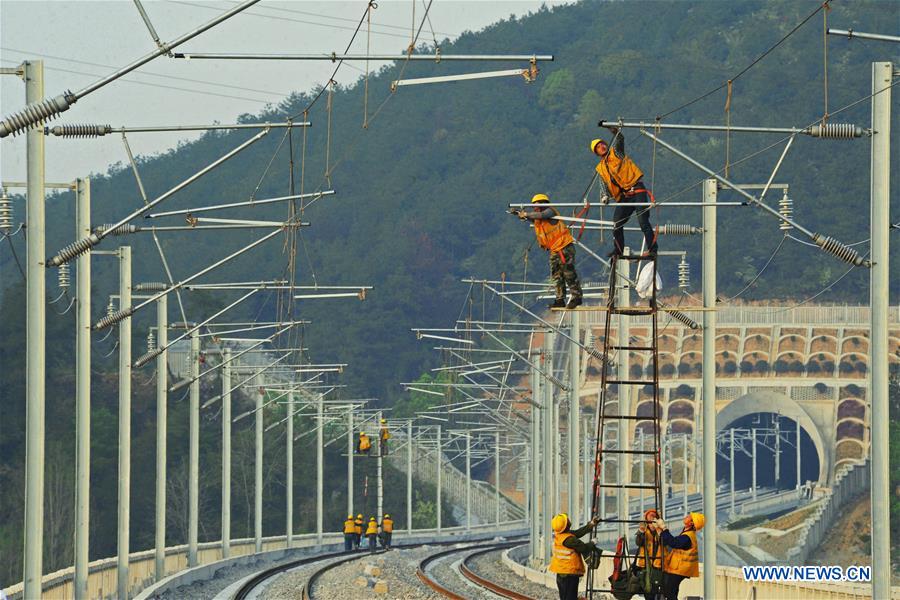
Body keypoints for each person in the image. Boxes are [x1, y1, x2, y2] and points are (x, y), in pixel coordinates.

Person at [591, 125, 657, 257]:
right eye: (598, 147)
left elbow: (619, 142)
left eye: (603, 144)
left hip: (637, 190)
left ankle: (652, 250)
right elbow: (604, 185)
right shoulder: (600, 168)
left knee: (643, 222)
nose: (602, 147)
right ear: (596, 153)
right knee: (616, 224)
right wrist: (605, 196)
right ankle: (619, 250)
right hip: (624, 197)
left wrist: (616, 133)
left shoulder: (616, 153)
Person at [516, 193, 583, 309]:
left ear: (543, 203)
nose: (534, 208)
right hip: (554, 250)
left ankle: (576, 297)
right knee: (556, 275)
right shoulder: (539, 219)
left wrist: (526, 214)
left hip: (564, 247)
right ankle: (560, 299)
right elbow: (535, 217)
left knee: (568, 273)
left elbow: (542, 215)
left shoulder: (550, 212)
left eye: (536, 205)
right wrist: (519, 214)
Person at [548, 512, 601, 600]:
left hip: (563, 574)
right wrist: (592, 543)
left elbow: (578, 532)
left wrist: (591, 524)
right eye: (567, 520)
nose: (568, 520)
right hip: (569, 574)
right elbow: (583, 548)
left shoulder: (561, 535)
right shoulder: (569, 540)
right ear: (566, 525)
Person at [653, 512, 704, 600]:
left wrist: (664, 528)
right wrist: (659, 531)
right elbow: (670, 541)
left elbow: (674, 543)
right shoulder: (687, 533)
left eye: (689, 516)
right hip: (679, 568)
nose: (686, 516)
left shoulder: (688, 537)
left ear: (691, 523)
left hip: (680, 569)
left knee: (670, 592)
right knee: (670, 591)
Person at [635, 509, 663, 600]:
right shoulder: (644, 531)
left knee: (656, 588)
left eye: (653, 519)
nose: (652, 524)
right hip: (645, 565)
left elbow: (665, 542)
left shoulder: (660, 530)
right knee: (647, 589)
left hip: (657, 564)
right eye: (650, 520)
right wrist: (641, 531)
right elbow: (638, 542)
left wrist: (660, 529)